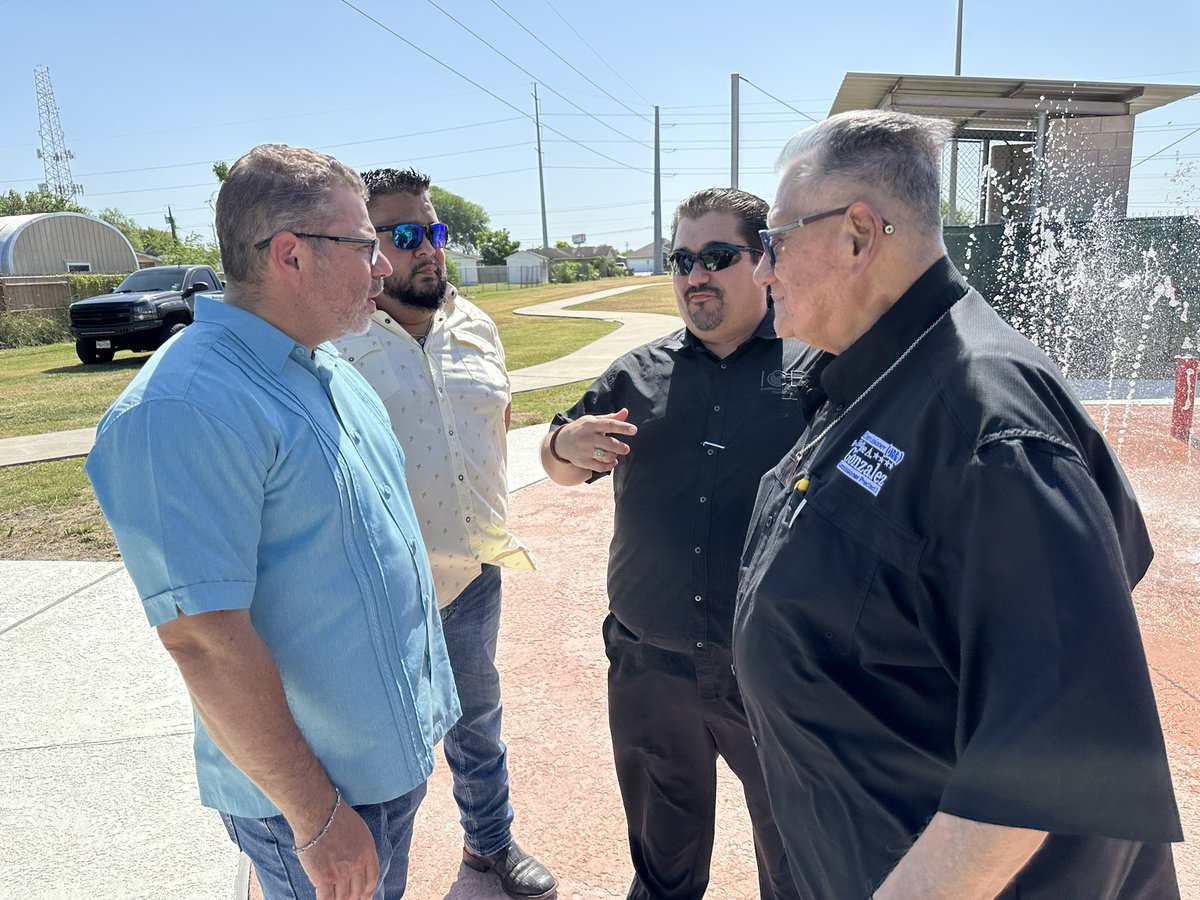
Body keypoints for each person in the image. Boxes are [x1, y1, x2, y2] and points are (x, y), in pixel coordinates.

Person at [733, 109, 1183, 899]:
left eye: (775, 241)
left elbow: (1062, 744)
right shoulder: (877, 372)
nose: (761, 270)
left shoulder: (988, 421)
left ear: (859, 236)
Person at [86, 144, 460, 900]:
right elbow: (202, 639)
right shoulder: (183, 407)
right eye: (365, 247)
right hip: (317, 798)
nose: (384, 266)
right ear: (291, 255)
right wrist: (317, 819)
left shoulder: (325, 369)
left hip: (383, 766)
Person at [541, 188, 822, 900]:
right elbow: (559, 465)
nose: (695, 275)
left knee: (798, 862)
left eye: (717, 257)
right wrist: (561, 443)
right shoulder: (635, 374)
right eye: (682, 259)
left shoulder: (820, 371)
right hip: (650, 667)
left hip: (773, 675)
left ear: (764, 260)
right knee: (662, 865)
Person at [332, 167, 555, 900]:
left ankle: (490, 845)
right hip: (374, 588)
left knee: (478, 722)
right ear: (367, 246)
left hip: (469, 573)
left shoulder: (476, 324)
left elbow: (495, 420)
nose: (426, 249)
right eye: (404, 235)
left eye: (434, 231)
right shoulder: (335, 340)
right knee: (380, 757)